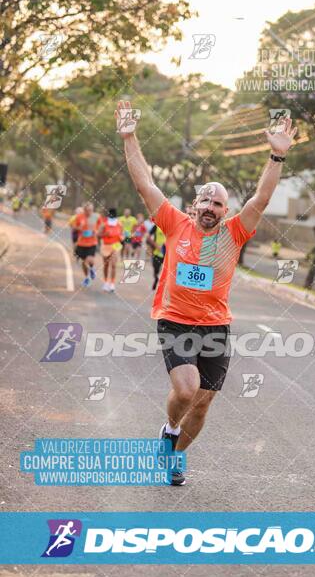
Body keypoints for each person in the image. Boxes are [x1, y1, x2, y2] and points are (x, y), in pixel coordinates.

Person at [116, 100, 296, 485]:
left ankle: (177, 455)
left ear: (225, 210)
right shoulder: (175, 222)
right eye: (206, 200)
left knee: (203, 402)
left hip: (215, 326)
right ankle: (168, 429)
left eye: (218, 203)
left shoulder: (235, 233)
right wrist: (130, 137)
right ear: (194, 204)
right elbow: (144, 182)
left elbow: (260, 199)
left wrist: (276, 157)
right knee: (186, 389)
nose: (211, 207)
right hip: (175, 320)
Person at [97, 207, 124, 292]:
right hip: (106, 246)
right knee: (106, 265)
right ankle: (106, 282)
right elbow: (98, 235)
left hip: (115, 246)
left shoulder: (119, 224)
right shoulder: (104, 223)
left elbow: (122, 235)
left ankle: (112, 284)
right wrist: (105, 233)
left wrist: (121, 238)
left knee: (113, 265)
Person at [74, 202, 100, 287]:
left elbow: (101, 227)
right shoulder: (79, 217)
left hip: (92, 242)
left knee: (89, 260)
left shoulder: (96, 217)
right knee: (83, 263)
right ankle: (87, 277)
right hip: (81, 243)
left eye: (91, 210)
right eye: (87, 210)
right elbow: (74, 227)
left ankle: (91, 269)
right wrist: (79, 228)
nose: (89, 212)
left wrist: (96, 231)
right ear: (84, 210)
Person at [147, 223, 166, 290]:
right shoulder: (156, 226)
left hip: (167, 254)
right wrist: (155, 245)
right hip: (156, 253)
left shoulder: (171, 225)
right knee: (156, 270)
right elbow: (148, 237)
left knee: (165, 271)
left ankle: (162, 286)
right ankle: (156, 279)